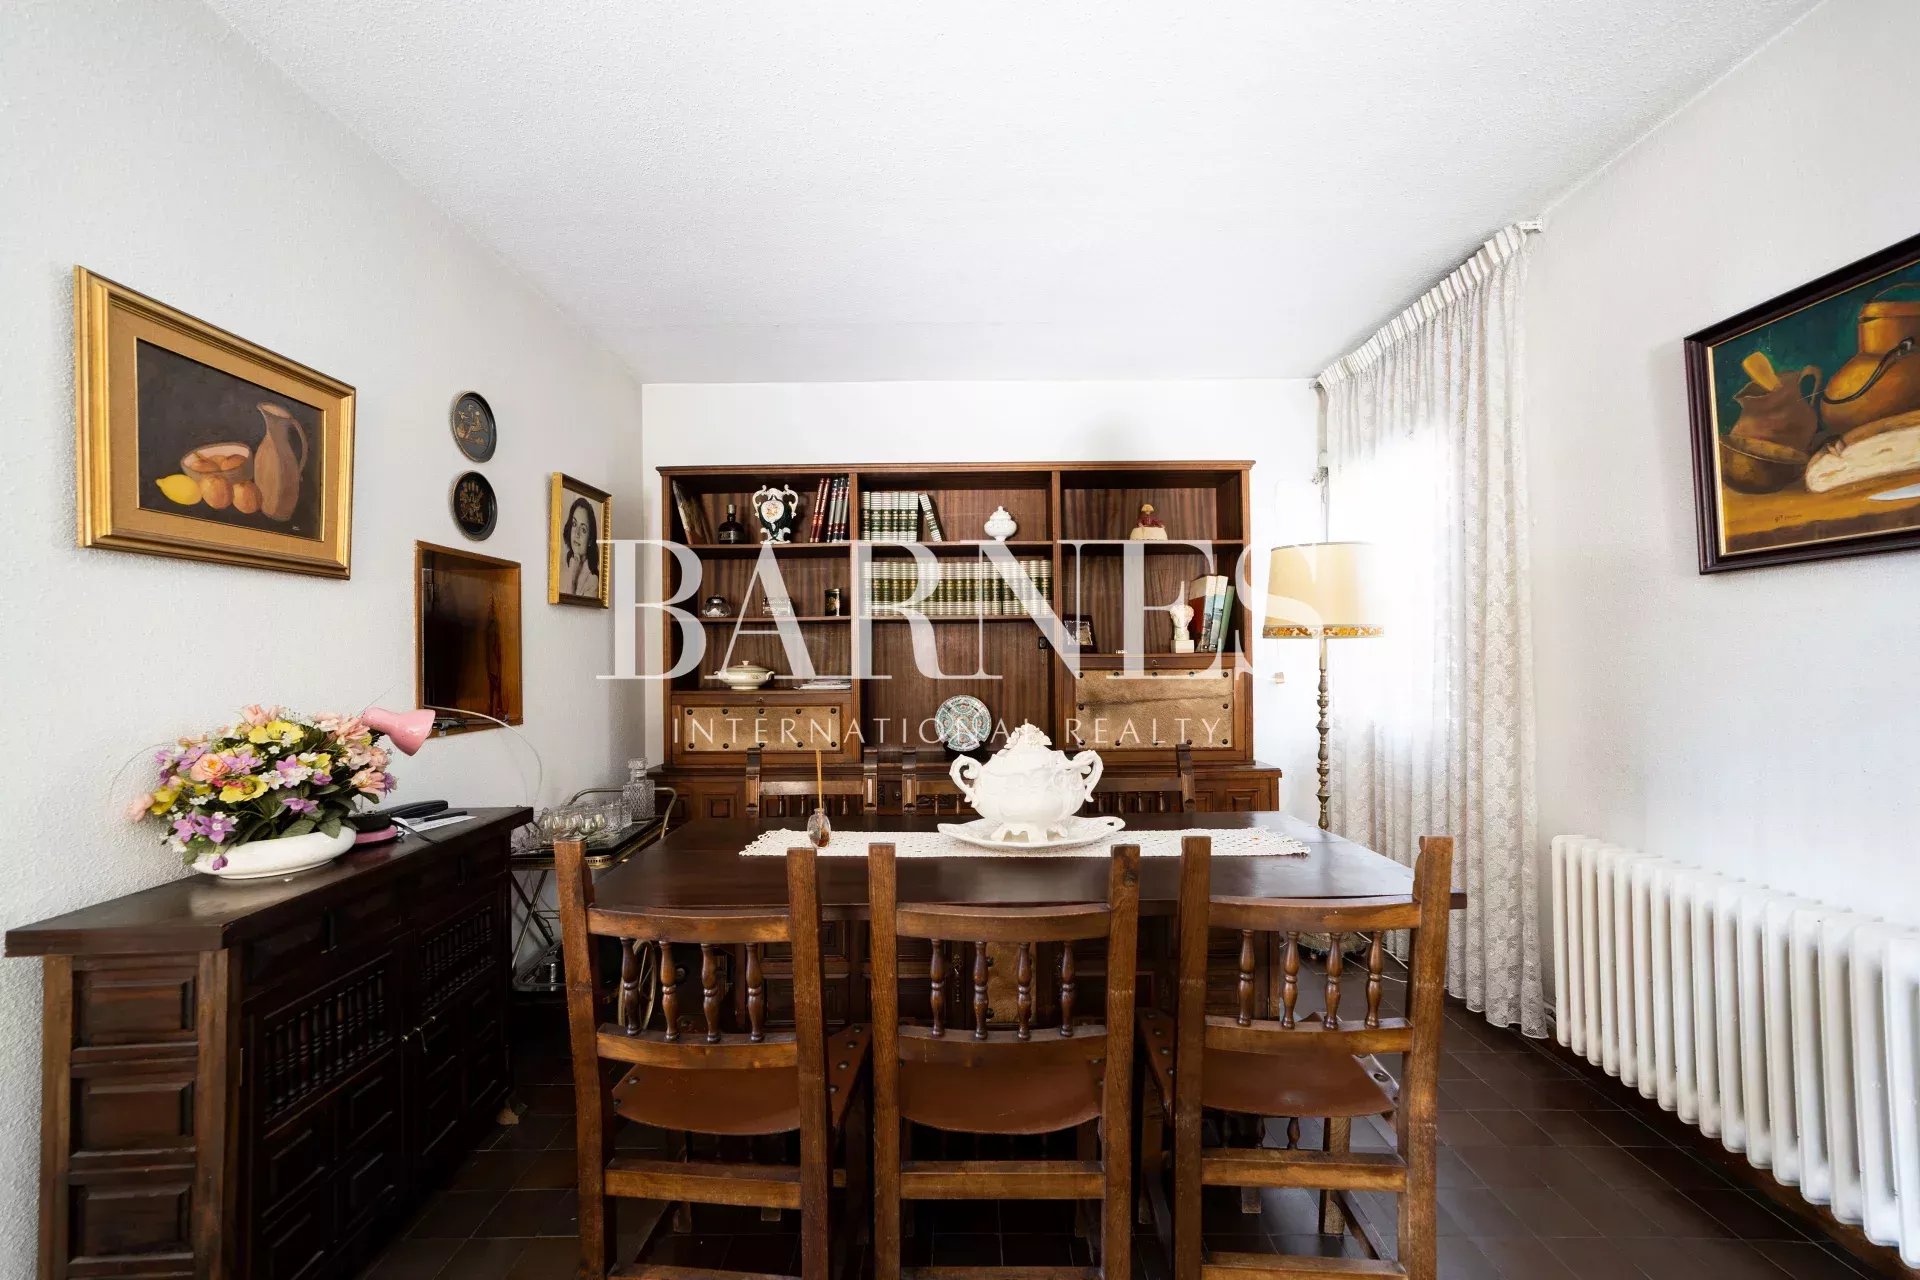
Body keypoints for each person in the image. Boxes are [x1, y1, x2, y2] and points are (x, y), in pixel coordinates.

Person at [562, 496, 600, 597]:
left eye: (583, 530)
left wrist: (573, 578)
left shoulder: (592, 580)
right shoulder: (566, 565)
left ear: (590, 540)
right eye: (574, 524)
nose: (577, 533)